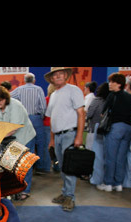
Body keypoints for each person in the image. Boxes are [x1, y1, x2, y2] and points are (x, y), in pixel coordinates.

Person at [45, 67, 85, 212]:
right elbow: (52, 118)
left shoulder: (73, 90)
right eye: (55, 75)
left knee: (70, 167)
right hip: (58, 135)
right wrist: (52, 139)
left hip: (69, 133)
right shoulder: (54, 95)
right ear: (52, 79)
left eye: (61, 74)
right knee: (62, 167)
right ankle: (65, 193)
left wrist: (79, 136)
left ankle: (70, 197)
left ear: (66, 75)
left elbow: (81, 113)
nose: (58, 76)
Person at [0, 86, 36, 200]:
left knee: (24, 165)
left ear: (5, 98)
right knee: (11, 166)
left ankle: (25, 190)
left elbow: (12, 129)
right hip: (9, 141)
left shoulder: (16, 106)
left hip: (25, 138)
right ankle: (13, 189)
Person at [97, 73, 131, 193]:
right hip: (128, 128)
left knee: (110, 157)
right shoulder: (129, 97)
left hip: (115, 128)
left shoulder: (111, 96)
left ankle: (108, 183)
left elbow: (103, 113)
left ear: (118, 84)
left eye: (112, 82)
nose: (109, 84)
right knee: (121, 157)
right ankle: (118, 183)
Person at [11, 73, 48, 173]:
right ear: (34, 80)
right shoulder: (38, 89)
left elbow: (9, 97)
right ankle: (39, 167)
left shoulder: (19, 89)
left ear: (24, 80)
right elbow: (43, 106)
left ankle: (25, 167)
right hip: (36, 118)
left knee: (24, 143)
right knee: (40, 143)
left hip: (23, 119)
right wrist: (41, 116)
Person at [86, 82, 110, 186]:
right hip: (105, 131)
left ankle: (90, 175)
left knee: (91, 154)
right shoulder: (109, 101)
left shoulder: (96, 101)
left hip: (93, 130)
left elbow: (89, 114)